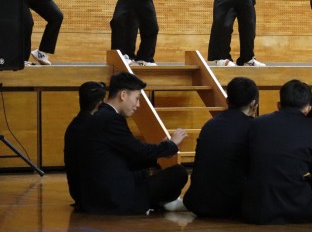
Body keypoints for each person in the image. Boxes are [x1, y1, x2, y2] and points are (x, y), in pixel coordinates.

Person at [81, 72, 188, 215]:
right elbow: (137, 150)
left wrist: (159, 154)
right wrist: (170, 146)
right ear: (123, 95)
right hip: (114, 198)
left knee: (152, 172)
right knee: (178, 173)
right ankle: (163, 202)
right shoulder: (111, 119)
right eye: (137, 98)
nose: (138, 105)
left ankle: (162, 201)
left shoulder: (102, 115)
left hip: (99, 192)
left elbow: (129, 153)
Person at [242, 80, 312, 224]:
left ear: (279, 104)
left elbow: (246, 164)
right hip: (296, 209)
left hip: (256, 209)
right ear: (308, 108)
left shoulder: (257, 124)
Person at [183, 77, 258, 218]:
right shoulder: (253, 127)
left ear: (227, 100)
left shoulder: (210, 124)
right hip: (231, 205)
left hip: (197, 202)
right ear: (254, 104)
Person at [64, 81, 106, 209]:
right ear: (100, 103)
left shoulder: (73, 126)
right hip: (95, 195)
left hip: (78, 193)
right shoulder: (97, 127)